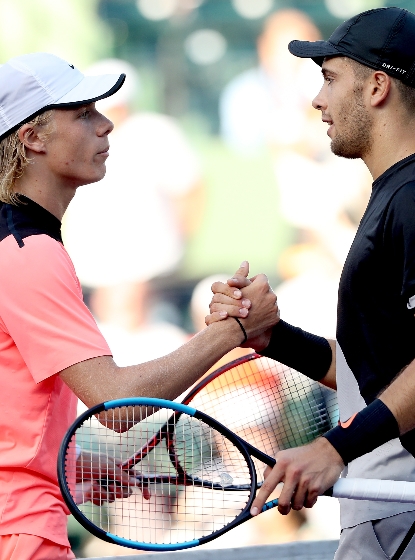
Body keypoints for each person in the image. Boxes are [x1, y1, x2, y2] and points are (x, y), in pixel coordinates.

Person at [0, 52, 279, 560]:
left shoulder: (20, 246)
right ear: (33, 138)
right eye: (83, 113)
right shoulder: (28, 254)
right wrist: (232, 330)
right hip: (21, 531)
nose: (106, 125)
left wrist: (75, 466)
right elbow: (118, 407)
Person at [208, 7, 415, 559]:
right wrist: (269, 335)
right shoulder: (395, 194)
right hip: (385, 503)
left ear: (377, 86)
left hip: (398, 503)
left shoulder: (413, 197)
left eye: (329, 78)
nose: (316, 101)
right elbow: (372, 371)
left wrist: (334, 447)